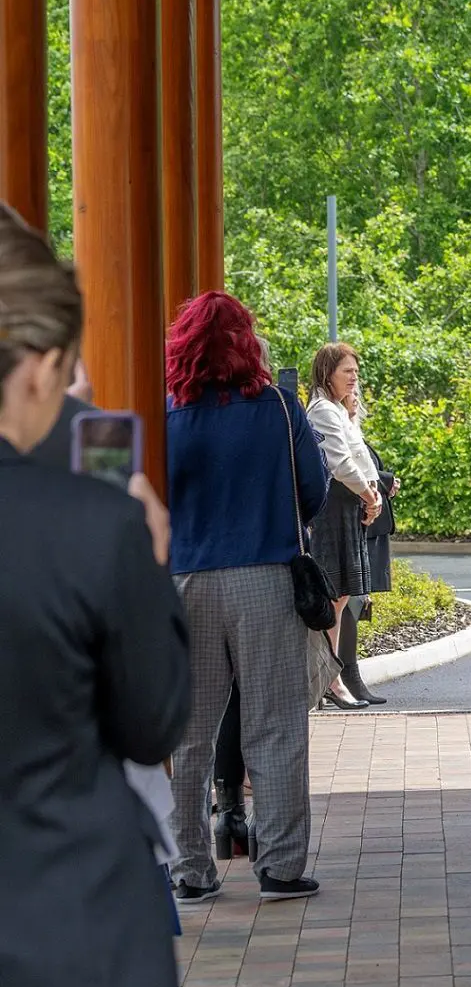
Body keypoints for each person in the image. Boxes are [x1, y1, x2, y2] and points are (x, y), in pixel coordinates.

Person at [0, 207, 190, 987]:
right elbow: (150, 720)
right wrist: (144, 563)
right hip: (68, 945)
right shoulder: (91, 517)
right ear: (41, 367)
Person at [166, 291, 330, 904]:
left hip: (186, 580)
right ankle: (281, 867)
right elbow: (312, 492)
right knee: (276, 725)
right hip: (265, 577)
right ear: (246, 342)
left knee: (187, 732)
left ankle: (191, 870)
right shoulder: (280, 409)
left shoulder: (165, 412)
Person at [305, 343, 384, 709]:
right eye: (346, 371)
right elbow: (340, 463)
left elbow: (361, 455)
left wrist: (374, 494)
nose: (354, 378)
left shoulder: (338, 409)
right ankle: (329, 679)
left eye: (355, 371)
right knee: (333, 596)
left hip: (348, 504)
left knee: (340, 598)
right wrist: (369, 495)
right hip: (332, 508)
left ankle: (329, 676)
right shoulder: (321, 409)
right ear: (327, 373)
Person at [333, 387, 400, 707]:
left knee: (354, 602)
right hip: (353, 524)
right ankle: (344, 676)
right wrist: (380, 487)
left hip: (368, 526)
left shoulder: (356, 435)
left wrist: (382, 485)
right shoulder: (335, 429)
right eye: (351, 392)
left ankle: (347, 676)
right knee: (348, 603)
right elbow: (345, 474)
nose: (356, 397)